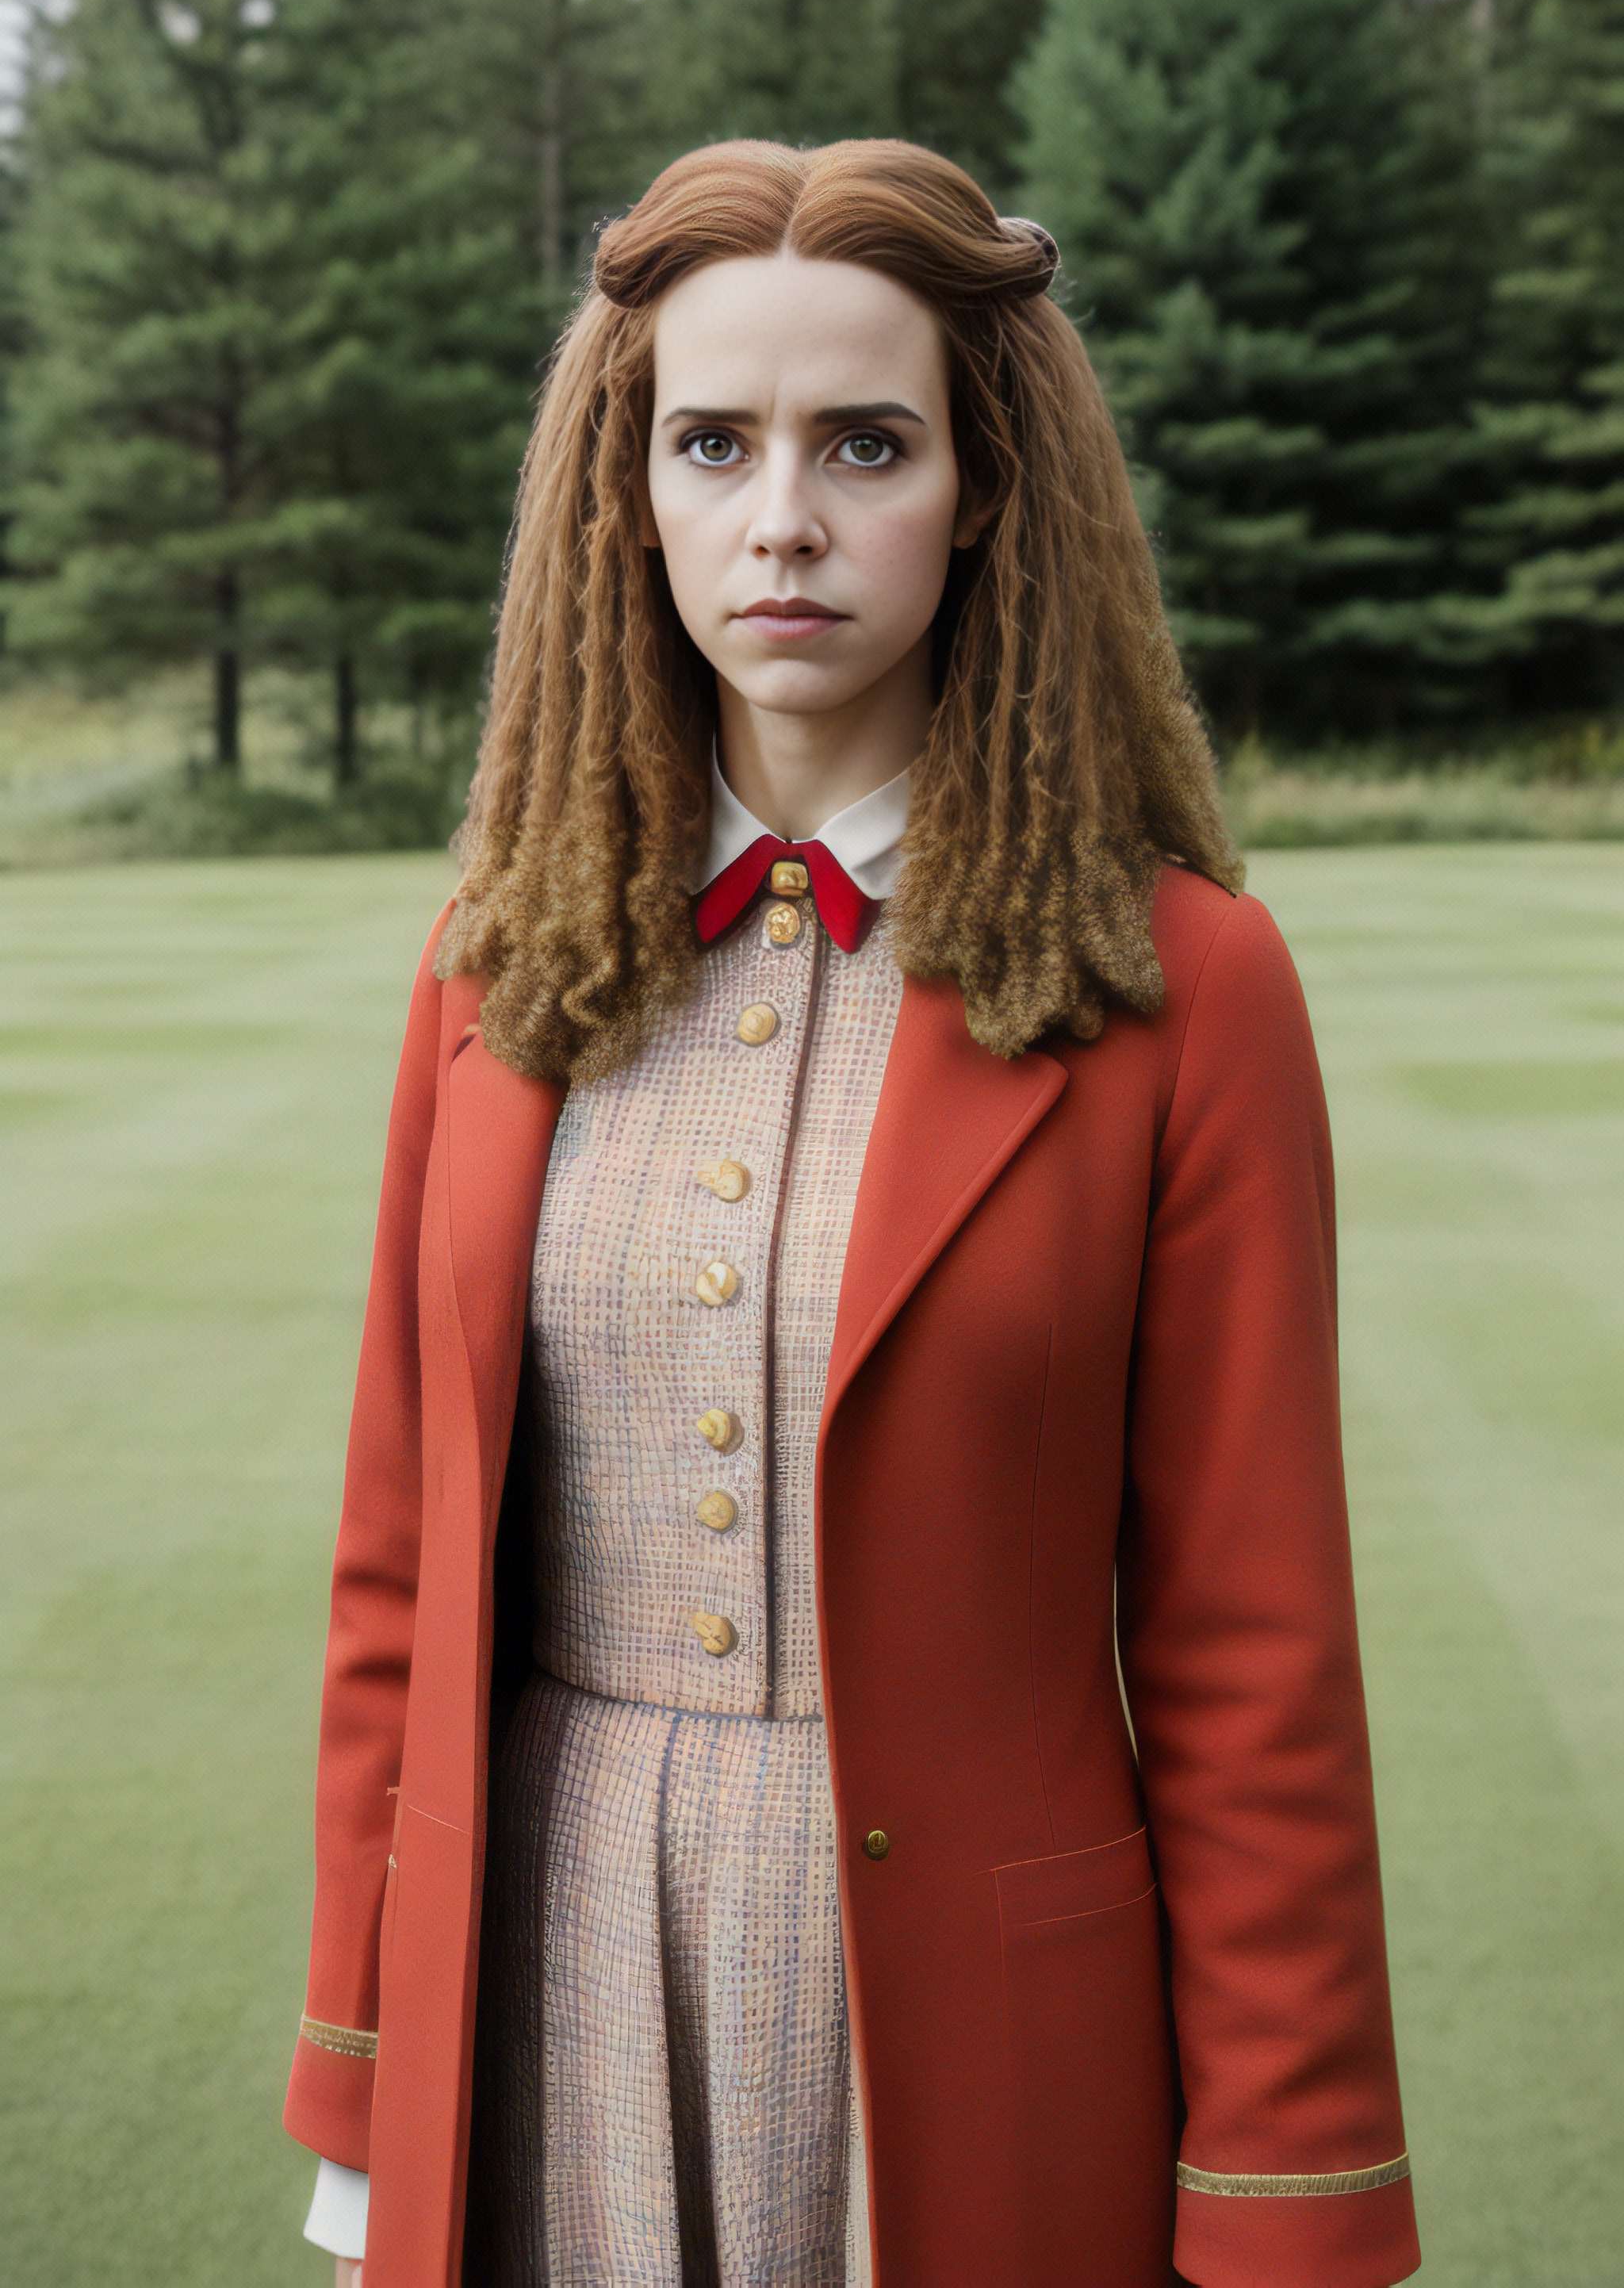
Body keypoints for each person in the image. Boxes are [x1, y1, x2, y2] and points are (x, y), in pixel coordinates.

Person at [284, 138, 1420, 2288]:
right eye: (713, 442)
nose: (782, 516)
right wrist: (361, 2088)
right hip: (542, 1966)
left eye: (864, 443)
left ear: (983, 486)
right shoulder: (487, 969)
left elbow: (1253, 1658)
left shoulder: (1189, 992)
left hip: (987, 2040)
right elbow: (397, 1583)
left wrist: (1285, 2204)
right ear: (632, 488)